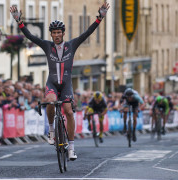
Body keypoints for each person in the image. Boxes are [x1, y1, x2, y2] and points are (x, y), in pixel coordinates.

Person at [10, 2, 109, 161]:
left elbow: (88, 32)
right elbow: (30, 36)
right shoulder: (47, 46)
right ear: (51, 34)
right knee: (50, 102)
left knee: (69, 111)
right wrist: (19, 21)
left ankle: (71, 148)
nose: (56, 35)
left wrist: (100, 17)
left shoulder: (72, 45)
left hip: (67, 84)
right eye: (54, 33)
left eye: (59, 32)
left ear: (63, 33)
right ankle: (51, 130)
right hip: (52, 83)